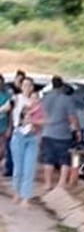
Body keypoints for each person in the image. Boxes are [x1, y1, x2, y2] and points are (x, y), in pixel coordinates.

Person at [38, 76, 82, 191]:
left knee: (48, 159)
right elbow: (72, 117)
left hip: (47, 132)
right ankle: (61, 183)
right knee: (64, 159)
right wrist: (77, 130)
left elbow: (41, 115)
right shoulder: (67, 99)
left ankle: (47, 183)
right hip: (62, 134)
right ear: (62, 86)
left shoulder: (45, 98)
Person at [9, 77, 44, 206]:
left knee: (29, 167)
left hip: (32, 136)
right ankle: (16, 192)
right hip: (18, 135)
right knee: (18, 167)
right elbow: (7, 108)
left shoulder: (37, 102)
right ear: (21, 86)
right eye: (24, 84)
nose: (27, 87)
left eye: (29, 85)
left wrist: (33, 122)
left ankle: (26, 197)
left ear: (32, 87)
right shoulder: (16, 98)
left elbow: (44, 120)